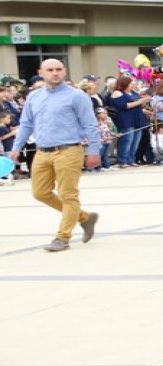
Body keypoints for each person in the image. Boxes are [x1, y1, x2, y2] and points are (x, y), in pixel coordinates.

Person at [9, 59, 101, 252]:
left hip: (69, 150)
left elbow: (90, 124)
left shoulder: (76, 96)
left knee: (68, 195)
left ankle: (62, 237)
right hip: (42, 151)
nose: (55, 73)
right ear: (41, 72)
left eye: (59, 69)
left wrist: (94, 151)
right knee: (40, 193)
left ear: (64, 71)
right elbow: (26, 124)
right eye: (50, 69)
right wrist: (16, 148)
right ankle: (85, 217)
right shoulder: (34, 97)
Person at [110, 75, 152, 168]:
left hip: (137, 118)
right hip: (126, 119)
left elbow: (138, 103)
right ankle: (122, 160)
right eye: (130, 83)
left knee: (136, 141)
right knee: (127, 140)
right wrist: (140, 101)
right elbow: (125, 106)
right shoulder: (117, 93)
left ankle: (131, 159)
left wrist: (144, 101)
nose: (132, 84)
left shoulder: (133, 92)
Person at [95, 107, 116, 172]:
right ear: (98, 115)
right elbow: (97, 134)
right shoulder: (96, 124)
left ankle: (107, 166)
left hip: (107, 141)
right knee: (100, 154)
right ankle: (99, 167)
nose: (106, 115)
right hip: (101, 142)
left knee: (105, 154)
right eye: (104, 113)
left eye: (106, 113)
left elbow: (107, 131)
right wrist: (105, 138)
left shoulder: (105, 122)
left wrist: (115, 134)